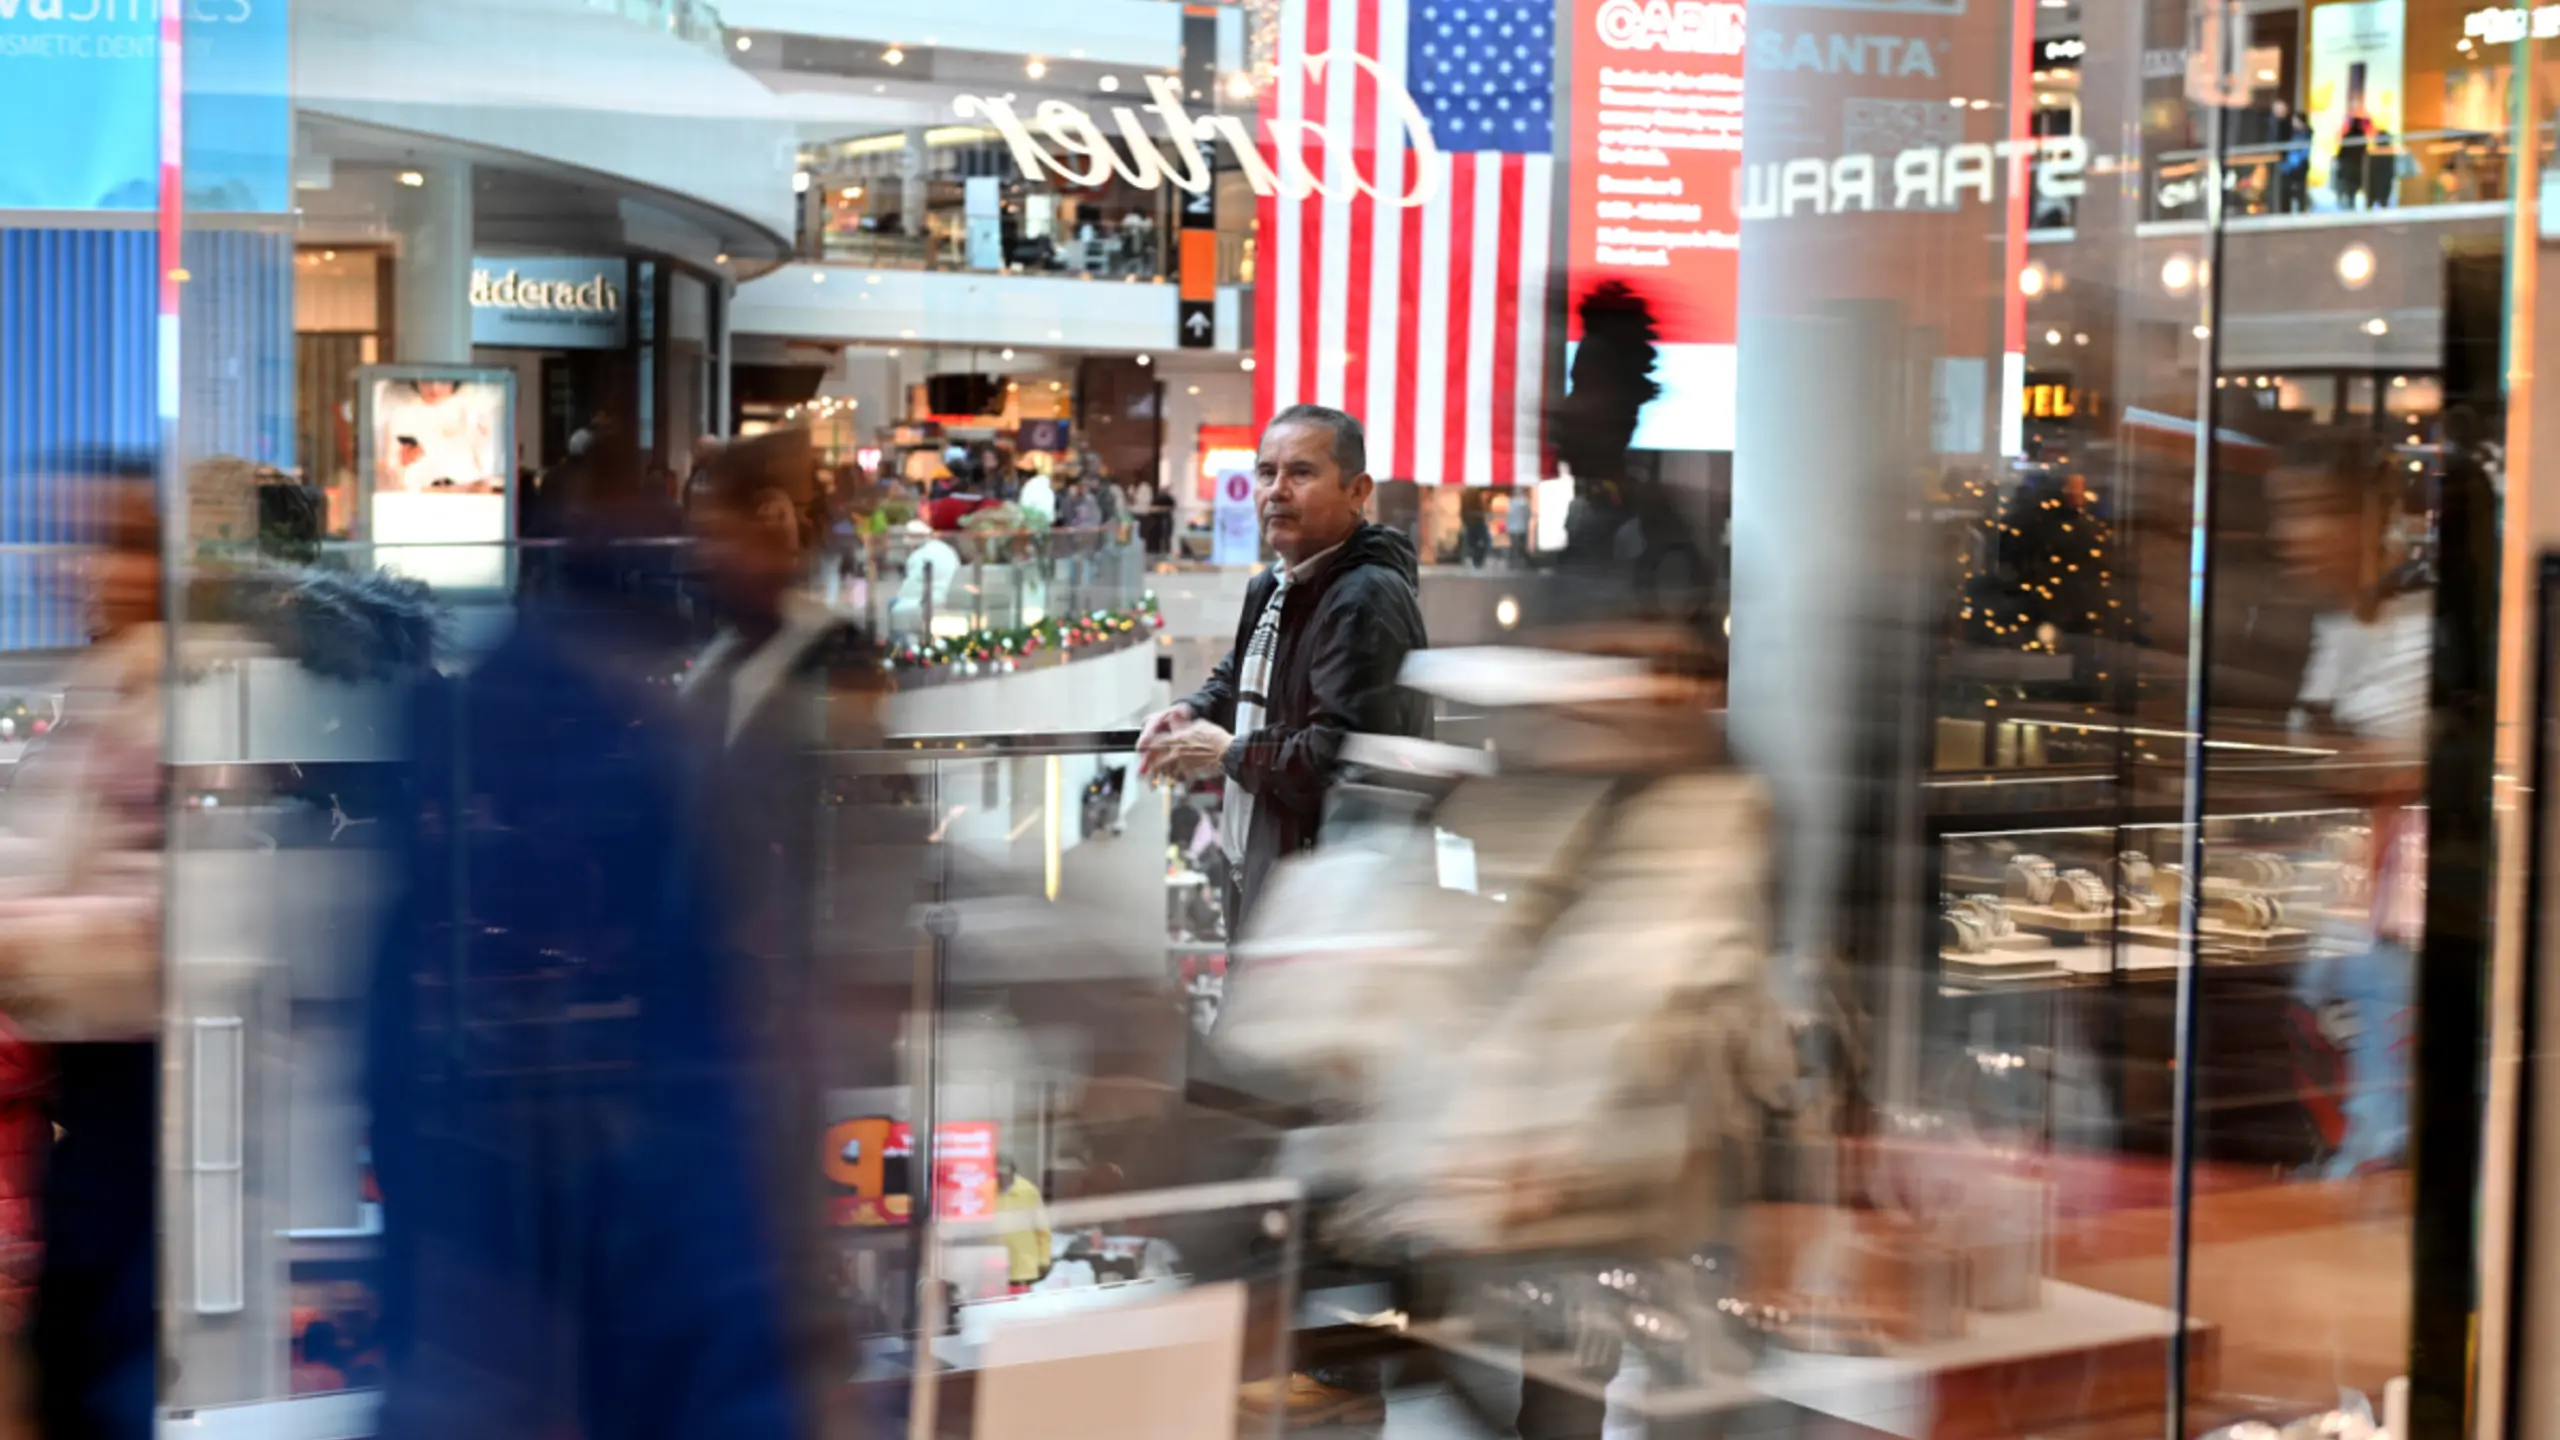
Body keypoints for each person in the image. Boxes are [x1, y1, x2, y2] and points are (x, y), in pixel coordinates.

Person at [0, 459, 167, 1440]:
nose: (84, 566)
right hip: (102, 1069)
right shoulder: (111, 673)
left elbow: (144, 904)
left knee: (99, 1344)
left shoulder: (151, 680)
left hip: (135, 1066)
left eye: (117, 542)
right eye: (74, 541)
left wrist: (22, 934)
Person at [1136, 404, 1431, 928]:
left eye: (1301, 472)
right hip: (1267, 868)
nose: (1276, 491)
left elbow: (1333, 756)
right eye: (1266, 473)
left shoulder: (1365, 597)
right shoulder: (1274, 584)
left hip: (1329, 898)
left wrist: (1226, 751)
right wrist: (1193, 708)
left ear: (1358, 491)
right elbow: (1243, 673)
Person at [2269, 428, 2430, 1178]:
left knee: (2377, 1142)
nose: (2294, 534)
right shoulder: (2333, 624)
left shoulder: (2420, 626)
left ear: (2374, 517)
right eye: (2287, 511)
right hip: (2341, 904)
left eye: (2317, 510)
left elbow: (2386, 772)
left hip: (2394, 918)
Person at [991, 1157, 1053, 1296]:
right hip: (993, 1263)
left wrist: (1043, 1259)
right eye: (998, 1174)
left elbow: (1042, 1229)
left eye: (1005, 1174)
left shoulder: (1028, 1191)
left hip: (1022, 1263)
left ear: (1013, 1173)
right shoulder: (986, 1189)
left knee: (1020, 1304)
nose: (1001, 1178)